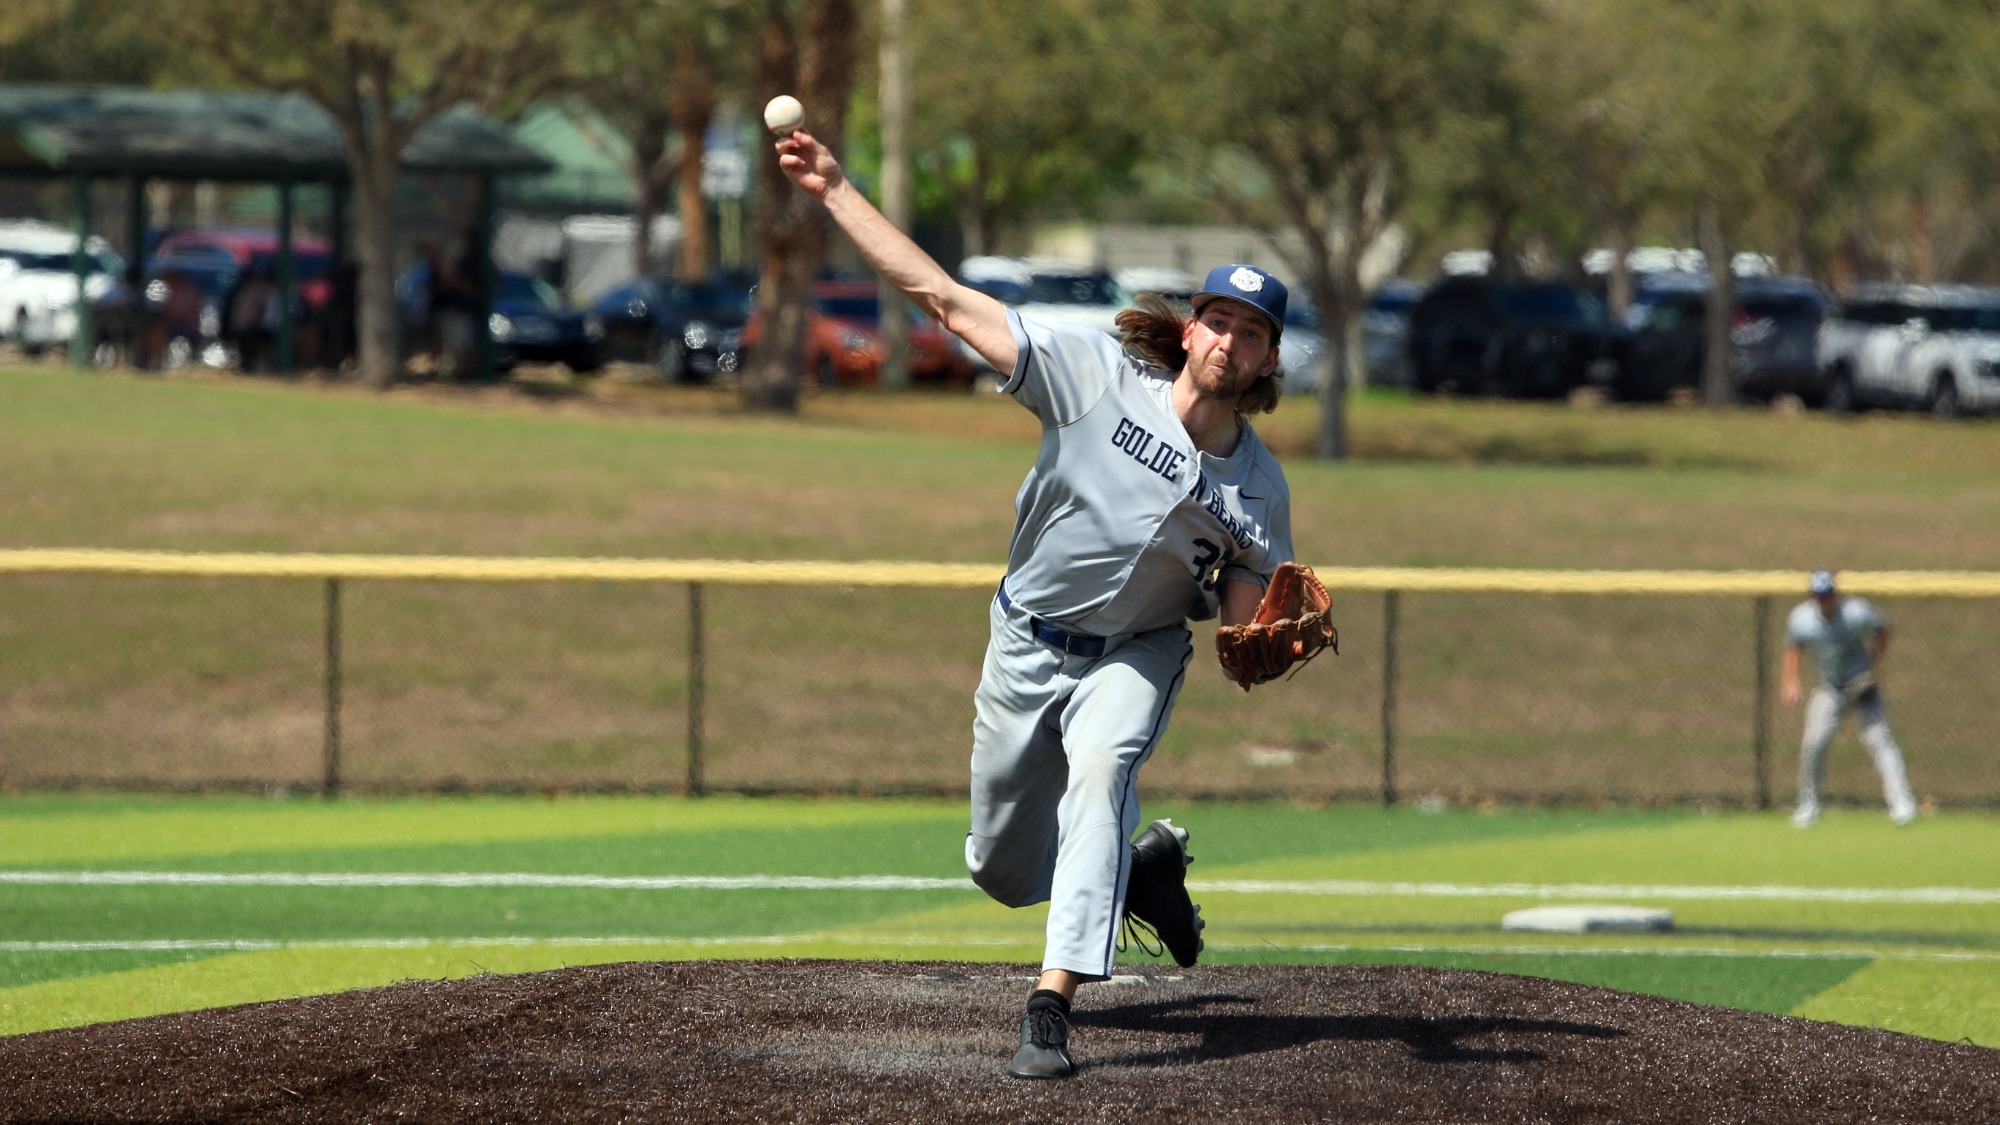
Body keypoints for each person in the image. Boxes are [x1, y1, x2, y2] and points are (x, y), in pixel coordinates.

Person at [776, 126, 1301, 1079]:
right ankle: (1142, 873)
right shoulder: (1093, 377)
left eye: (1253, 330)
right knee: (1000, 867)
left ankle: (1048, 1010)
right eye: (1219, 319)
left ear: (1268, 361)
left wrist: (1250, 630)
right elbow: (940, 296)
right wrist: (836, 188)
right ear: (1190, 330)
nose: (1231, 338)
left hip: (1135, 651)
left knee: (1103, 770)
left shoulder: (1261, 489)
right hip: (1025, 638)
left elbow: (1244, 598)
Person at [1782, 570, 1917, 827]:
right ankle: (1808, 806)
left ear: (1836, 594)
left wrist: (1875, 661)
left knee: (1880, 741)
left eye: (1828, 595)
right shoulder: (1802, 619)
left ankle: (1902, 804)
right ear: (1812, 597)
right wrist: (1790, 681)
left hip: (1861, 684)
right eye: (1819, 596)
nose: (1824, 601)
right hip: (1829, 689)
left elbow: (1883, 628)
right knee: (1814, 745)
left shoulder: (1856, 612)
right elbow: (1793, 647)